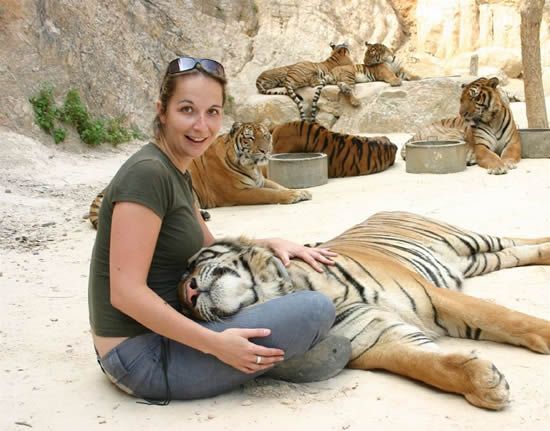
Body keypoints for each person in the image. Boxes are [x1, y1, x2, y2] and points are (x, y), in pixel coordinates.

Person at [88, 55, 351, 402]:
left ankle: (264, 356)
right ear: (161, 111)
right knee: (316, 310)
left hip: (167, 333)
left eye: (213, 112)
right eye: (187, 110)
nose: (201, 126)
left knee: (288, 302)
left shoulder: (177, 169)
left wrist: (271, 242)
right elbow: (125, 293)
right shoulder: (148, 174)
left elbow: (207, 245)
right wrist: (216, 345)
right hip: (142, 358)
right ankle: (273, 360)